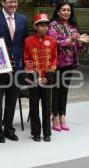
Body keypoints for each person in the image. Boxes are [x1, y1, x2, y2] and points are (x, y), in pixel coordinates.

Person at [0, 0, 28, 143]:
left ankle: (9, 129)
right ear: (3, 2)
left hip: (17, 68)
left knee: (12, 100)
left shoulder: (23, 19)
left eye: (15, 1)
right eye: (10, 1)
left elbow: (25, 43)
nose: (13, 4)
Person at [48, 2, 89, 131]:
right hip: (56, 64)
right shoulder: (53, 25)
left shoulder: (73, 26)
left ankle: (62, 116)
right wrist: (72, 40)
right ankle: (54, 117)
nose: (66, 12)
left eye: (68, 10)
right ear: (58, 12)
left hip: (70, 63)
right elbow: (55, 43)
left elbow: (78, 45)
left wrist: (83, 42)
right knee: (56, 91)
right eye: (64, 10)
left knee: (64, 91)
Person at [23, 13, 57, 142]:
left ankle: (47, 133)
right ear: (36, 26)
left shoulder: (52, 41)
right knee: (34, 107)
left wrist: (48, 77)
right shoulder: (28, 41)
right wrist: (35, 77)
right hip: (33, 80)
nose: (44, 28)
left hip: (47, 80)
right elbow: (27, 60)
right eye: (41, 25)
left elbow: (54, 61)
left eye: (46, 25)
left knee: (47, 107)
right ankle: (36, 132)